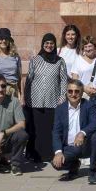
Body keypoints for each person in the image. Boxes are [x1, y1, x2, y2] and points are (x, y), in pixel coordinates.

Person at [24, 33, 68, 163]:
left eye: (51, 43)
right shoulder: (35, 60)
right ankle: (35, 155)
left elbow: (64, 80)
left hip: (53, 100)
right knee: (36, 129)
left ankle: (50, 155)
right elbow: (29, 79)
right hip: (35, 100)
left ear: (55, 45)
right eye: (46, 43)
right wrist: (26, 97)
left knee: (50, 129)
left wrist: (62, 96)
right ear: (42, 44)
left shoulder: (60, 61)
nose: (49, 45)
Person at [51, 79, 96, 184]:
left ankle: (92, 171)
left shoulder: (88, 105)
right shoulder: (60, 109)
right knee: (56, 164)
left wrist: (82, 133)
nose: (73, 94)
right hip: (69, 147)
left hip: (85, 145)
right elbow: (56, 132)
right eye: (70, 91)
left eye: (76, 91)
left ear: (82, 93)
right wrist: (58, 152)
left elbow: (95, 123)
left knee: (95, 136)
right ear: (66, 92)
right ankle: (73, 166)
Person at [69, 35, 96, 128]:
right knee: (83, 122)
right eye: (85, 46)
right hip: (83, 96)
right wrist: (85, 88)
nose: (88, 49)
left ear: (95, 47)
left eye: (90, 46)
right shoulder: (78, 60)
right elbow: (75, 79)